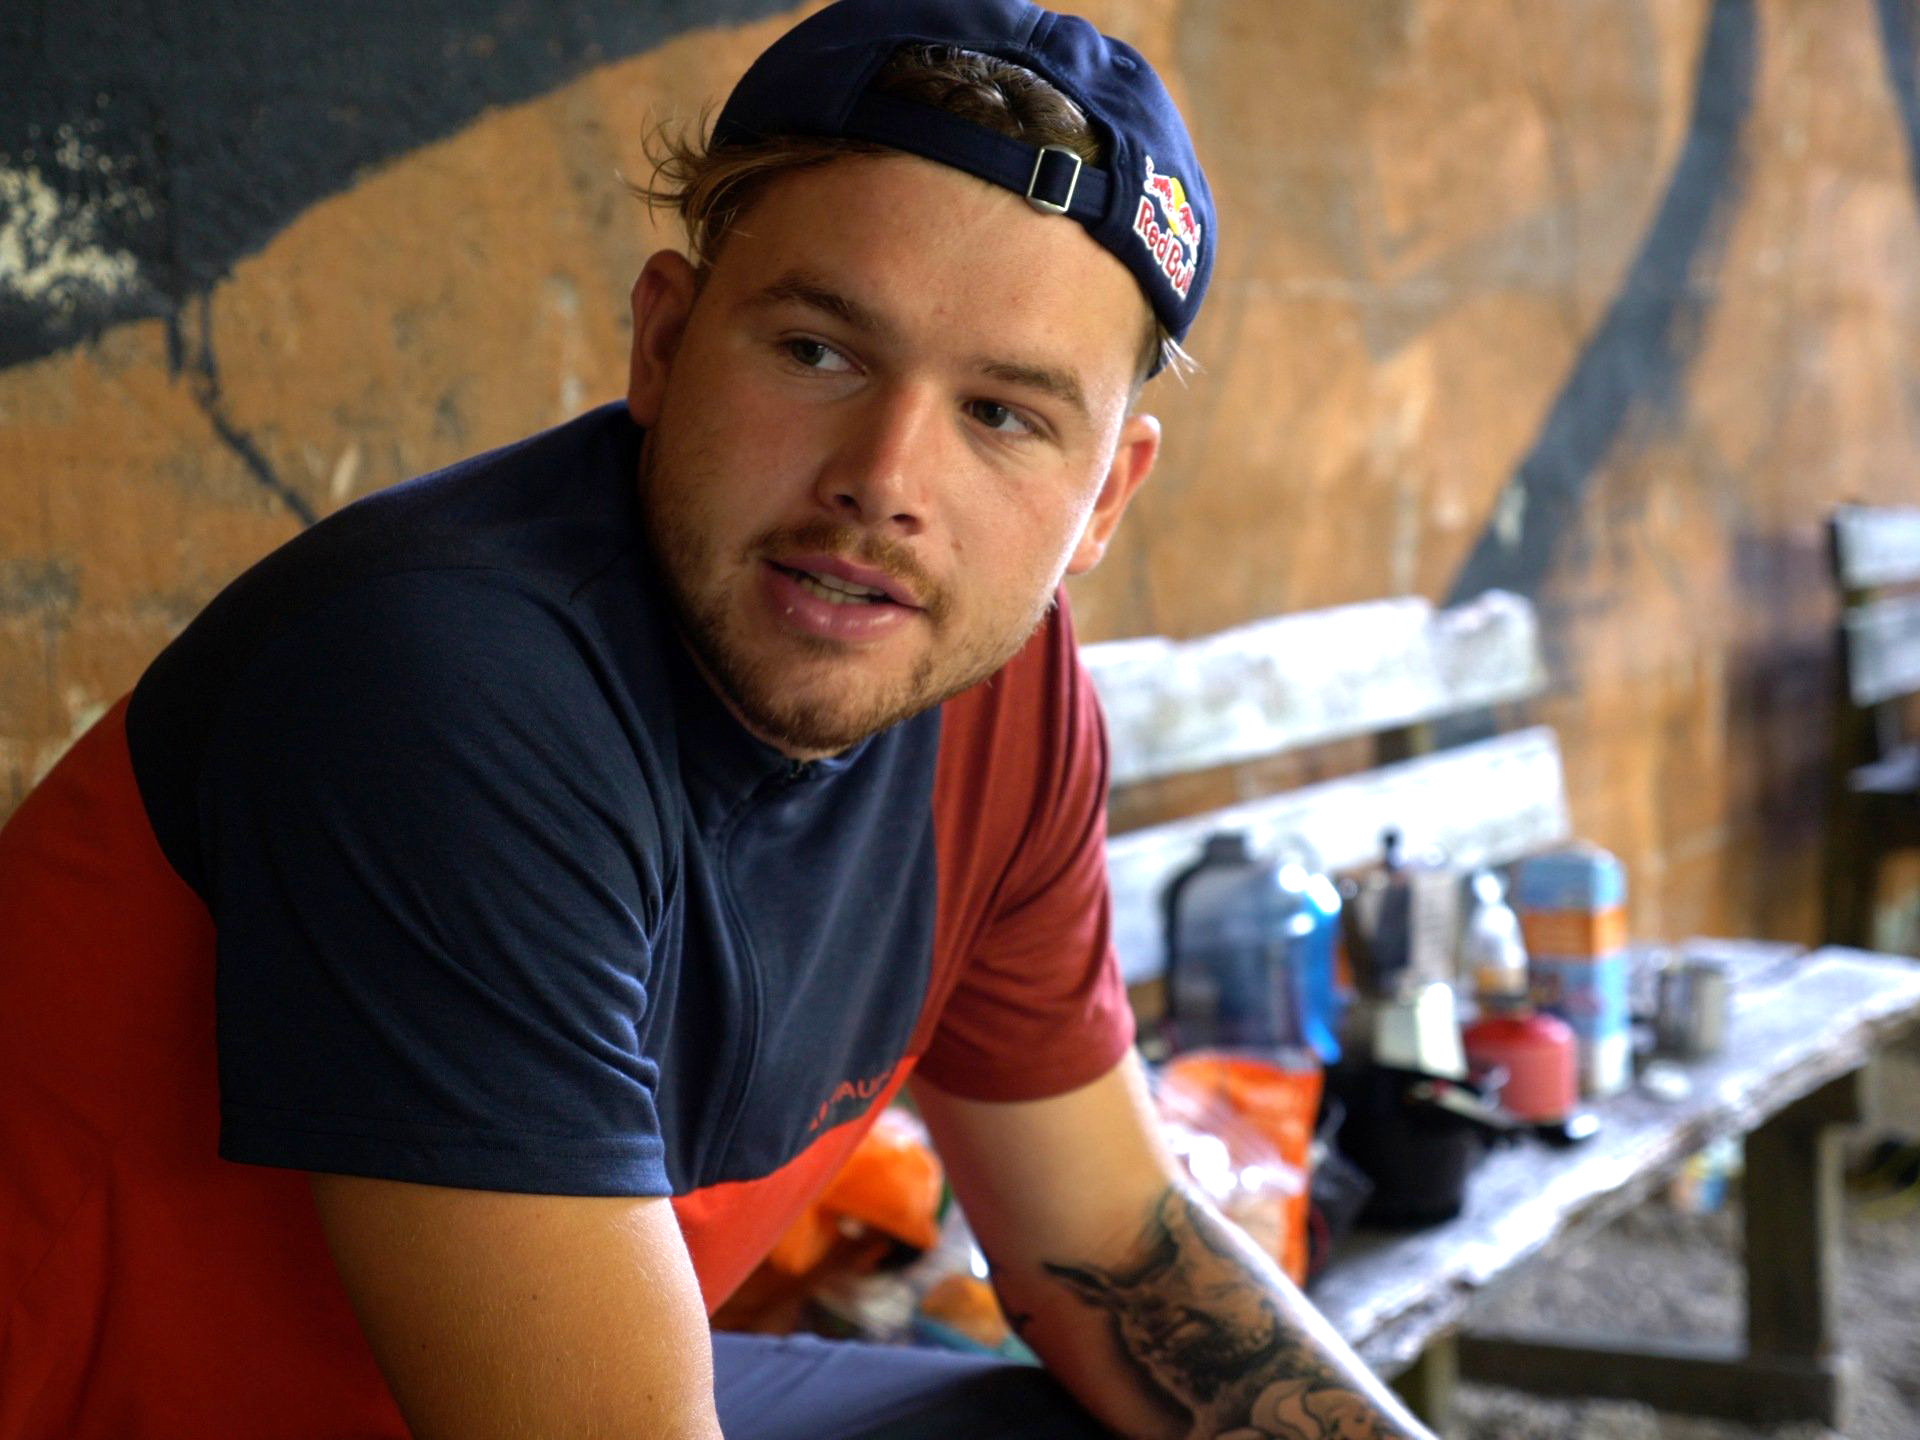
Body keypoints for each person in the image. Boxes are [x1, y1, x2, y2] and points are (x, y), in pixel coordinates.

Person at [0, 2, 1434, 1437]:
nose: (885, 480)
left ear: (1105, 498)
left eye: (1003, 415)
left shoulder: (1000, 688)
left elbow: (1115, 1250)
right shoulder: (442, 682)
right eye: (817, 352)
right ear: (667, 341)